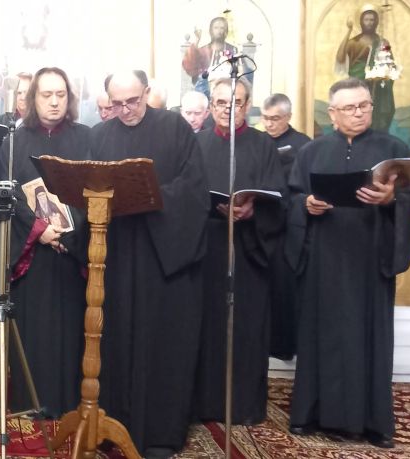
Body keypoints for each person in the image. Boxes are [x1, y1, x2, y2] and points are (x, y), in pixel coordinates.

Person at [286, 78, 410, 449]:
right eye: (349, 107)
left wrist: (391, 200)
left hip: (369, 259)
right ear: (332, 113)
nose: (359, 113)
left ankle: (373, 423)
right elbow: (293, 197)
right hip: (324, 259)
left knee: (369, 337)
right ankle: (310, 415)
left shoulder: (394, 150)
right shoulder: (311, 152)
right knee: (320, 335)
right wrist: (306, 205)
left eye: (364, 105)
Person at [90, 70, 209, 459]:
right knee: (116, 339)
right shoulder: (100, 136)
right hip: (117, 256)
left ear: (146, 93)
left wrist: (149, 196)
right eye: (117, 104)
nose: (126, 110)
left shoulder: (174, 128)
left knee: (162, 344)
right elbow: (88, 190)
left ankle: (160, 432)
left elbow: (194, 189)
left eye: (133, 101)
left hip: (163, 259)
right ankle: (114, 424)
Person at [191, 78, 284, 426]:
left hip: (248, 250)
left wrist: (253, 210)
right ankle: (203, 403)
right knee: (206, 325)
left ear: (248, 105)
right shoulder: (197, 143)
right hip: (206, 249)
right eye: (220, 103)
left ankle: (243, 405)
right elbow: (184, 193)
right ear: (210, 105)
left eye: (237, 103)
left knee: (246, 327)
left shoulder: (263, 145)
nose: (228, 110)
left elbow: (278, 197)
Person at [0, 67, 89, 417]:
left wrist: (69, 232)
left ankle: (67, 399)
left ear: (69, 98)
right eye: (46, 95)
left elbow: (94, 191)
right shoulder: (14, 142)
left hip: (72, 250)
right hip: (32, 252)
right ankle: (30, 401)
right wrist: (40, 230)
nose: (54, 102)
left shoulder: (86, 138)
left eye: (60, 95)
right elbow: (7, 195)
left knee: (69, 328)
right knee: (32, 327)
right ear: (33, 98)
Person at [261, 93, 311, 361]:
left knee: (285, 286)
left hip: (291, 225)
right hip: (260, 222)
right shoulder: (258, 142)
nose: (269, 124)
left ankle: (284, 345)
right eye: (265, 118)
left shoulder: (304, 145)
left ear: (288, 117)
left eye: (275, 119)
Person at [336, 6, 395, 131]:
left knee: (379, 117)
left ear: (376, 22)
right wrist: (349, 31)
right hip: (359, 86)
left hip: (378, 90)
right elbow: (340, 58)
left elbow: (389, 64)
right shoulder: (354, 42)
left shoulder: (382, 42)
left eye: (372, 20)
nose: (369, 23)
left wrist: (384, 75)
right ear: (361, 22)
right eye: (366, 20)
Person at [183, 16, 239, 95]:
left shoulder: (232, 49)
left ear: (226, 31)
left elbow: (239, 71)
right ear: (210, 31)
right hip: (204, 92)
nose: (219, 31)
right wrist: (197, 41)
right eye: (216, 28)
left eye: (222, 28)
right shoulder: (203, 51)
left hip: (225, 92)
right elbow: (190, 64)